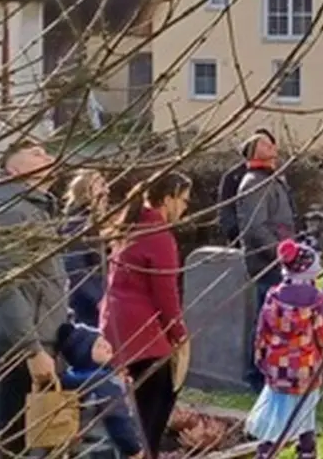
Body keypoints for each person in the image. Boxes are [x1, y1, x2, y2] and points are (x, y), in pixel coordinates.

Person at [0, 141, 65, 459]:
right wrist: (32, 350)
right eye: (37, 154)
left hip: (39, 340)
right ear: (12, 168)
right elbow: (5, 285)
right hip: (20, 348)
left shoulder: (33, 208)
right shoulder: (12, 212)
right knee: (12, 445)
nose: (49, 158)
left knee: (29, 443)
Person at [103, 171, 191, 458]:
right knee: (153, 410)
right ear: (168, 199)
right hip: (144, 332)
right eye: (183, 200)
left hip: (118, 325)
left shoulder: (131, 226)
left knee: (133, 412)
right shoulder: (159, 236)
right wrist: (179, 333)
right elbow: (165, 293)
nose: (186, 207)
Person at [244, 239, 323, 459]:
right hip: (307, 370)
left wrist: (261, 359)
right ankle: (306, 451)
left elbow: (261, 333)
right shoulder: (318, 301)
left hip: (278, 369)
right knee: (305, 414)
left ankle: (266, 452)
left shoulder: (273, 297)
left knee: (275, 415)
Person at [237, 130, 297, 390]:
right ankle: (257, 374)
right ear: (252, 150)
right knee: (266, 316)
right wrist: (280, 252)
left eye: (272, 142)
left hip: (278, 259)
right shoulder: (254, 182)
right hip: (267, 263)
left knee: (274, 315)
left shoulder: (271, 178)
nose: (272, 145)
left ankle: (270, 368)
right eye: (264, 142)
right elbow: (256, 227)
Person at [54, 322, 142, 458]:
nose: (106, 346)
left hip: (79, 450)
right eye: (98, 345)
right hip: (105, 448)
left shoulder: (72, 378)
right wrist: (133, 449)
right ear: (84, 355)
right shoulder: (104, 381)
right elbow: (116, 417)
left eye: (104, 340)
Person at [62, 169, 110, 328]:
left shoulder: (91, 223)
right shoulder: (78, 224)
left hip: (94, 303)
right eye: (101, 185)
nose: (107, 190)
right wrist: (100, 299)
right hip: (87, 307)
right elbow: (76, 268)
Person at [219, 127, 276, 245]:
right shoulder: (233, 176)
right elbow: (226, 211)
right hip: (243, 242)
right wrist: (237, 235)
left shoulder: (276, 177)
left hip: (275, 241)